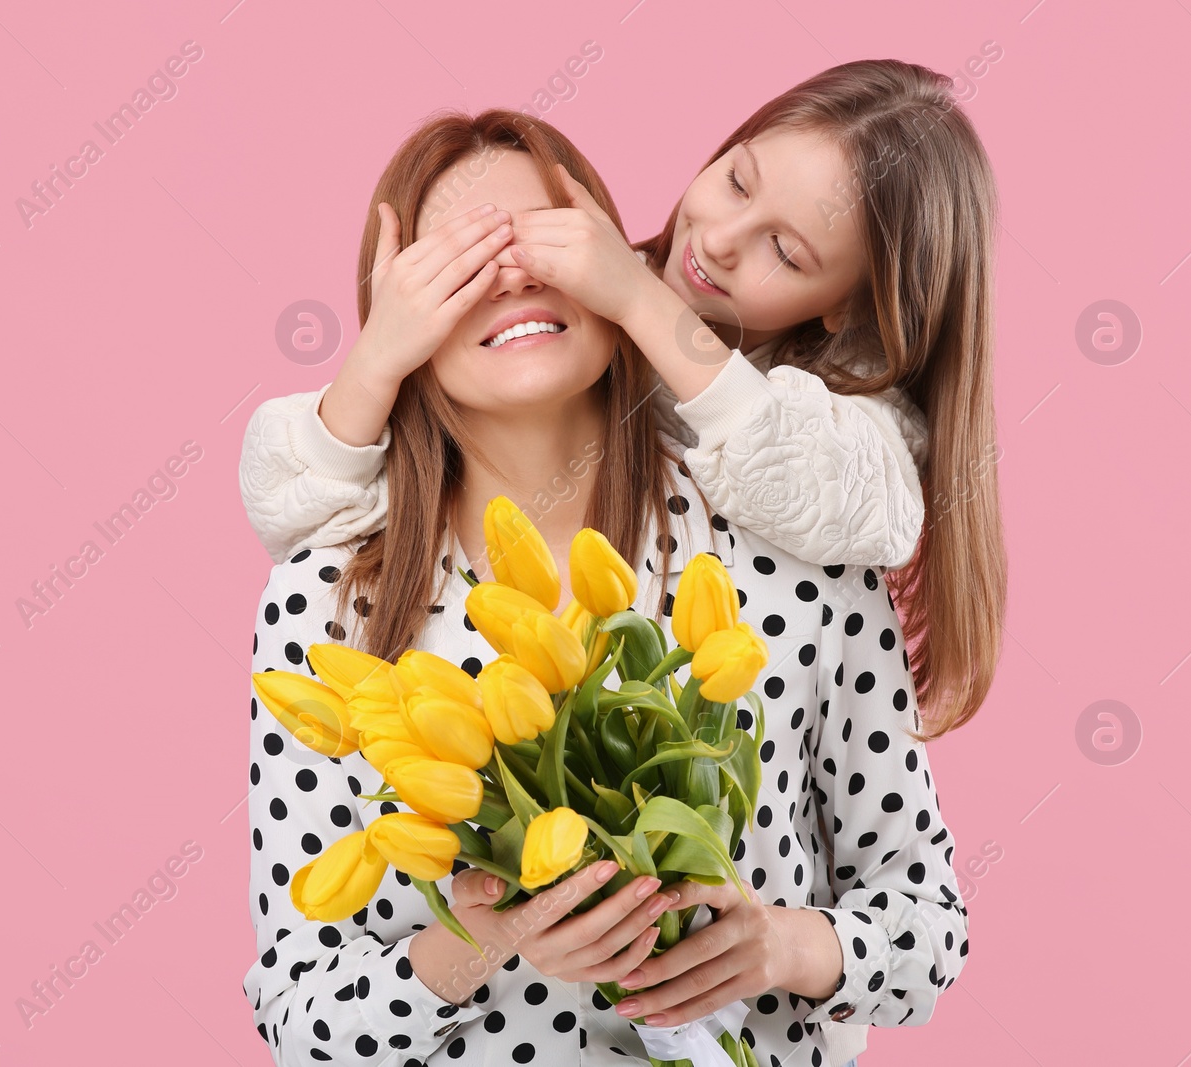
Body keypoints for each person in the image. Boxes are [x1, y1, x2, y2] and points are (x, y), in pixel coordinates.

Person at [243, 108, 969, 1067]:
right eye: (454, 262)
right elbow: (300, 1018)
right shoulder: (330, 602)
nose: (506, 273)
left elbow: (929, 920)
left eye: (544, 239)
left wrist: (779, 946)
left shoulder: (797, 545)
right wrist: (482, 938)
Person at [241, 59, 1006, 749]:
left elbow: (845, 494)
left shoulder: (841, 411)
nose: (722, 238)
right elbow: (286, 501)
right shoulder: (582, 305)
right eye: (737, 180)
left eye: (787, 251)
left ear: (848, 309)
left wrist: (638, 301)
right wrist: (380, 352)